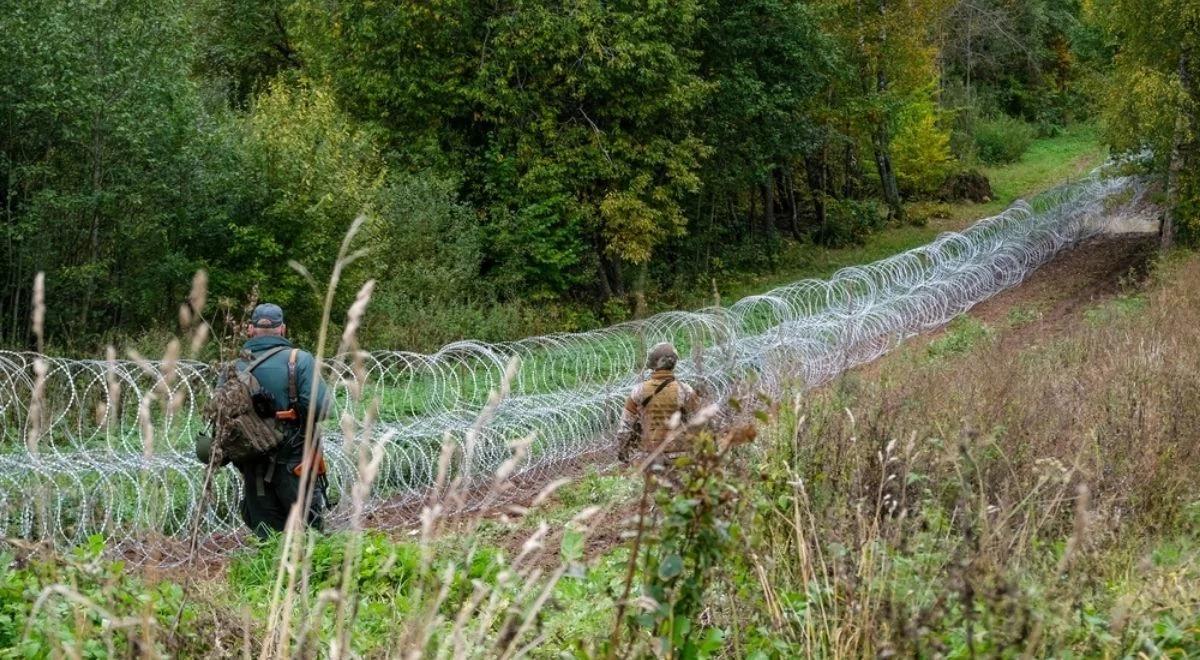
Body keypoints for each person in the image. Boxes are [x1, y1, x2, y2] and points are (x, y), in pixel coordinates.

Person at [200, 303, 331, 538]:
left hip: (253, 468)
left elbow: (219, 419)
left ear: (250, 329)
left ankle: (271, 574)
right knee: (310, 537)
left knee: (266, 539)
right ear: (283, 329)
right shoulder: (298, 360)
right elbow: (322, 409)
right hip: (296, 467)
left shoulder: (232, 368)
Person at [616, 342, 700, 462]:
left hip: (650, 457)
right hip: (681, 457)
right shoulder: (685, 390)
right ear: (674, 363)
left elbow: (625, 427)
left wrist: (623, 451)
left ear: (653, 363)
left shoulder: (638, 391)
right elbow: (699, 422)